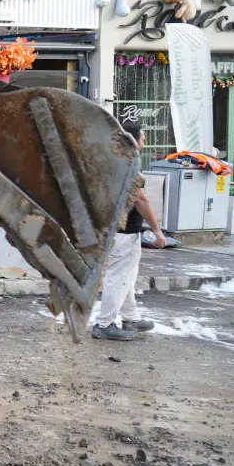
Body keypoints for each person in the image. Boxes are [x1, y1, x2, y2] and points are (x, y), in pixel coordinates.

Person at [92, 120, 168, 340]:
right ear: (134, 139)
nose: (145, 140)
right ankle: (104, 324)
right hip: (123, 232)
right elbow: (141, 199)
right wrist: (157, 230)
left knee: (127, 276)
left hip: (113, 228)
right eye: (144, 137)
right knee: (118, 277)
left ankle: (130, 318)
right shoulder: (129, 162)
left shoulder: (110, 159)